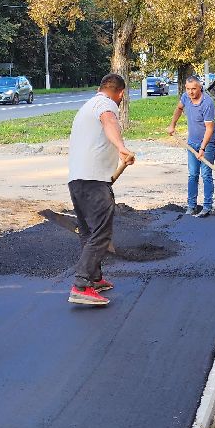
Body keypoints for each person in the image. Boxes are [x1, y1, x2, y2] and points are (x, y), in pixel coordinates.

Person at [67, 73, 136, 307]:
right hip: (94, 181)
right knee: (101, 233)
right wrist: (121, 147)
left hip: (77, 180)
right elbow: (109, 122)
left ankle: (94, 278)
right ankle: (81, 285)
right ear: (121, 93)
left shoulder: (87, 106)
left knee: (88, 233)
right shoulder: (107, 105)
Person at [168, 75, 215, 217]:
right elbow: (179, 108)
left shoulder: (207, 103)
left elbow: (209, 129)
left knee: (206, 174)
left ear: (200, 88)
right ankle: (191, 206)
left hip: (207, 144)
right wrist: (172, 125)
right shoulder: (185, 97)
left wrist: (202, 148)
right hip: (191, 143)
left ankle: (207, 207)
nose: (191, 92)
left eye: (194, 89)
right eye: (188, 89)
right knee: (193, 175)